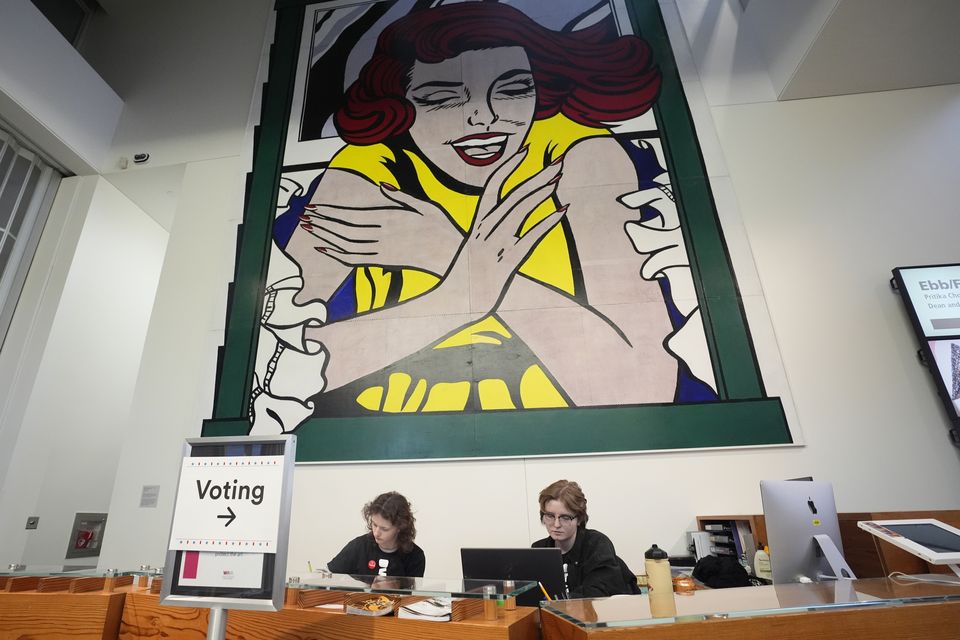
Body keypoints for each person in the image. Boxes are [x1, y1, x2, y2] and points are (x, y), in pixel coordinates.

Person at [253, 2, 715, 432]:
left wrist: (445, 250)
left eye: (514, 90)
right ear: (401, 106)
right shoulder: (368, 170)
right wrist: (463, 289)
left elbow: (639, 387)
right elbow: (282, 368)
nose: (484, 118)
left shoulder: (582, 152)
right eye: (442, 97)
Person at [531, 479, 639, 598]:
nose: (556, 524)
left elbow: (596, 593)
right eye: (550, 516)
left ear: (579, 519)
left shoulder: (597, 544)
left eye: (565, 517)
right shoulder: (539, 550)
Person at [327, 491, 425, 577]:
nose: (376, 533)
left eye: (384, 529)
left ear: (400, 527)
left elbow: (413, 596)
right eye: (374, 524)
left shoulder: (415, 556)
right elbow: (329, 574)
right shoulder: (359, 546)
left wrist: (395, 589)